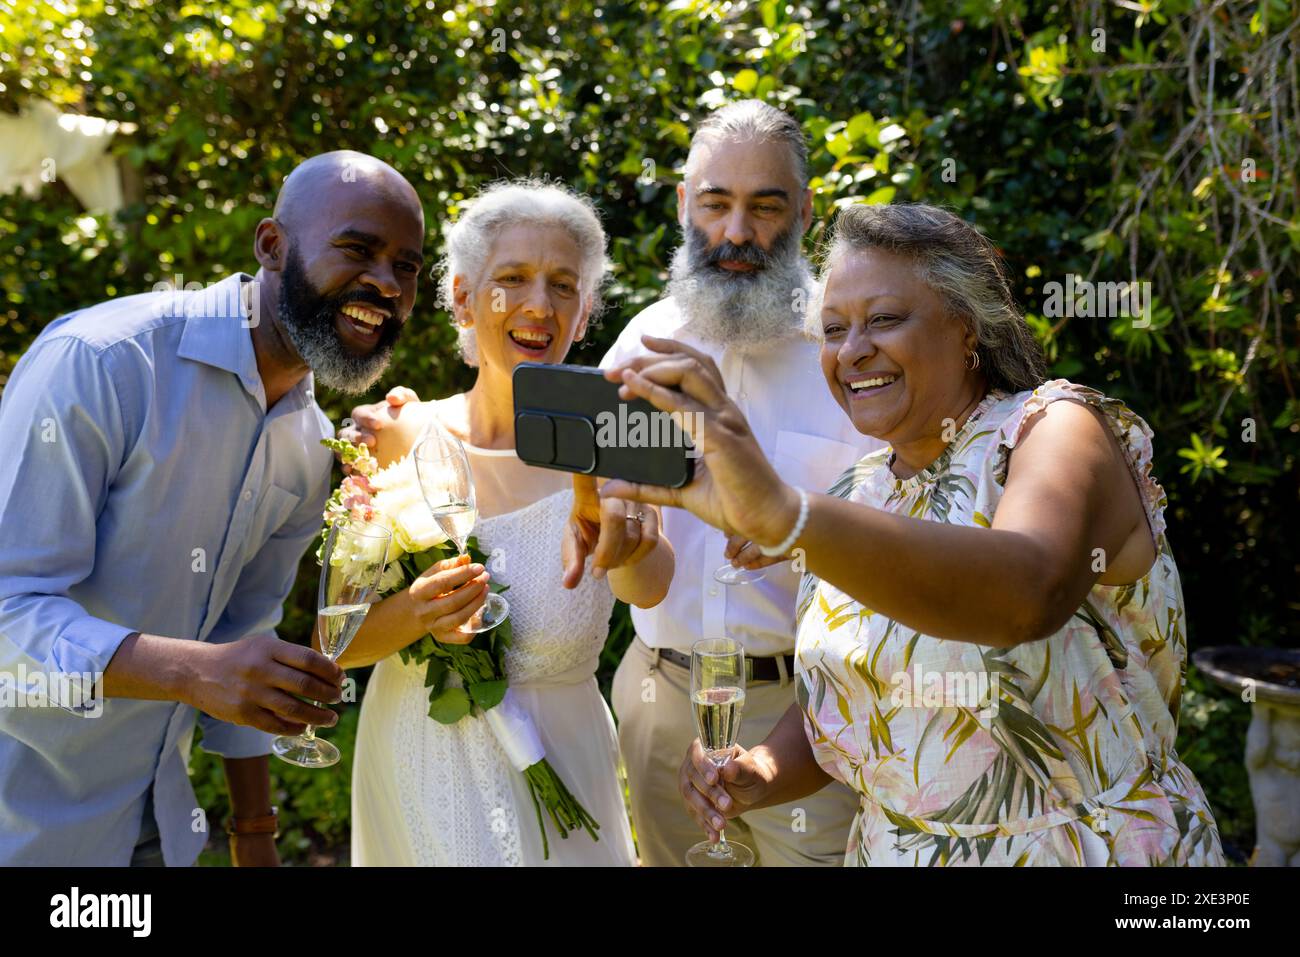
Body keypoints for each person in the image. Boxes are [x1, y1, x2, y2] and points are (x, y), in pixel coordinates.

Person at [605, 202, 1225, 866]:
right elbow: (847, 705)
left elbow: (1027, 592)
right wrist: (759, 771)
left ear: (966, 327)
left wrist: (789, 516)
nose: (852, 350)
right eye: (834, 329)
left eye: (884, 320)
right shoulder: (860, 487)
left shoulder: (1054, 430)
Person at [0, 150, 424, 866]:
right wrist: (193, 671)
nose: (384, 283)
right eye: (357, 249)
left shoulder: (306, 438)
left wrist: (255, 836)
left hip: (157, 827)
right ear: (271, 245)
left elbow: (243, 633)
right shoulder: (103, 364)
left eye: (406, 267)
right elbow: (8, 613)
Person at [339, 180, 674, 866]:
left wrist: (624, 540)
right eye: (512, 279)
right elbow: (335, 642)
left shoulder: (615, 435)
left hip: (566, 775)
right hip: (417, 770)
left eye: (563, 285)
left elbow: (651, 587)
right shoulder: (397, 436)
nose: (537, 304)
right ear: (464, 297)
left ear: (584, 315)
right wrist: (416, 612)